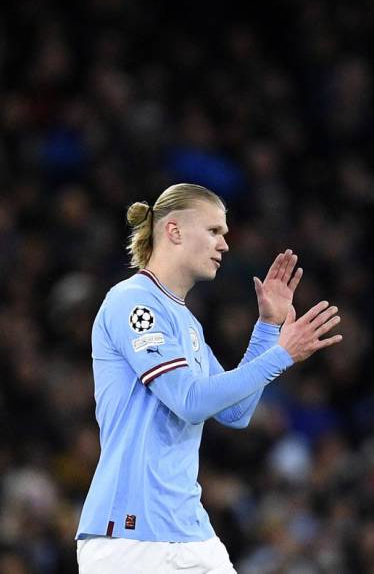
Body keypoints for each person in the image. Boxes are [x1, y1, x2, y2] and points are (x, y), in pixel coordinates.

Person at [75, 183, 342, 573]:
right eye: (215, 231)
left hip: (189, 532)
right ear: (174, 231)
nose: (225, 245)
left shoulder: (187, 322)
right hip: (131, 536)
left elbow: (236, 413)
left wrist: (268, 328)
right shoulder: (132, 302)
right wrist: (283, 354)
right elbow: (188, 399)